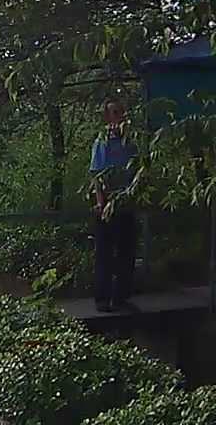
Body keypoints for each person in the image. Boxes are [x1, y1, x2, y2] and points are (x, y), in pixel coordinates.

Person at [89, 97, 139, 313]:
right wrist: (101, 203)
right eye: (116, 112)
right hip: (108, 203)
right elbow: (97, 174)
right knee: (105, 253)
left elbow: (136, 171)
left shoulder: (130, 142)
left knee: (126, 252)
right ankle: (103, 298)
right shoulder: (102, 142)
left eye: (122, 112)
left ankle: (121, 297)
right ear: (108, 117)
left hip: (126, 202)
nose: (120, 116)